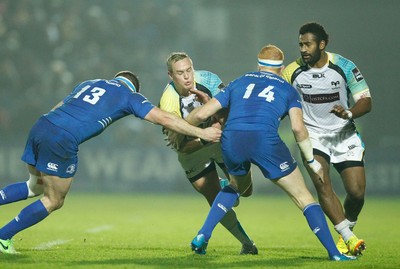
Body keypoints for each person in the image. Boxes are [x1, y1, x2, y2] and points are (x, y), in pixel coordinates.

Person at [0, 71, 222, 255]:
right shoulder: (129, 96)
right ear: (134, 88)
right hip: (62, 138)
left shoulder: (90, 83)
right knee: (53, 200)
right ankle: (3, 237)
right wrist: (201, 133)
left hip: (42, 125)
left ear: (116, 78)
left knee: (34, 186)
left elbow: (60, 105)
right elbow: (164, 118)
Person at [186, 45, 356, 261]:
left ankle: (203, 234)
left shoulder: (238, 82)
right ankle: (334, 253)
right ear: (282, 68)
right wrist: (312, 161)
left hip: (232, 139)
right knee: (303, 197)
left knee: (236, 187)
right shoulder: (288, 90)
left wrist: (187, 131)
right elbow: (297, 128)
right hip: (264, 140)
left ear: (258, 66)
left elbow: (201, 113)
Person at [282, 22, 371, 256]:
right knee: (323, 184)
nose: (303, 49)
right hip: (313, 137)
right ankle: (348, 238)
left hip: (344, 134)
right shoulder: (292, 71)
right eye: (300, 44)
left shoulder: (343, 66)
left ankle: (348, 224)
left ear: (322, 45)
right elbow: (276, 98)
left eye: (308, 44)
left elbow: (366, 101)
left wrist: (349, 112)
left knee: (357, 192)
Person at [158, 52, 257, 255]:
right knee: (215, 201)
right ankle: (247, 244)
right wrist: (204, 137)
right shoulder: (168, 103)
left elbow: (228, 112)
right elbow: (179, 146)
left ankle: (226, 187)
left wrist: (216, 119)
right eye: (180, 73)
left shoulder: (209, 80)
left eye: (189, 70)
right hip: (193, 151)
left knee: (246, 191)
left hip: (219, 140)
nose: (187, 77)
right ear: (170, 75)